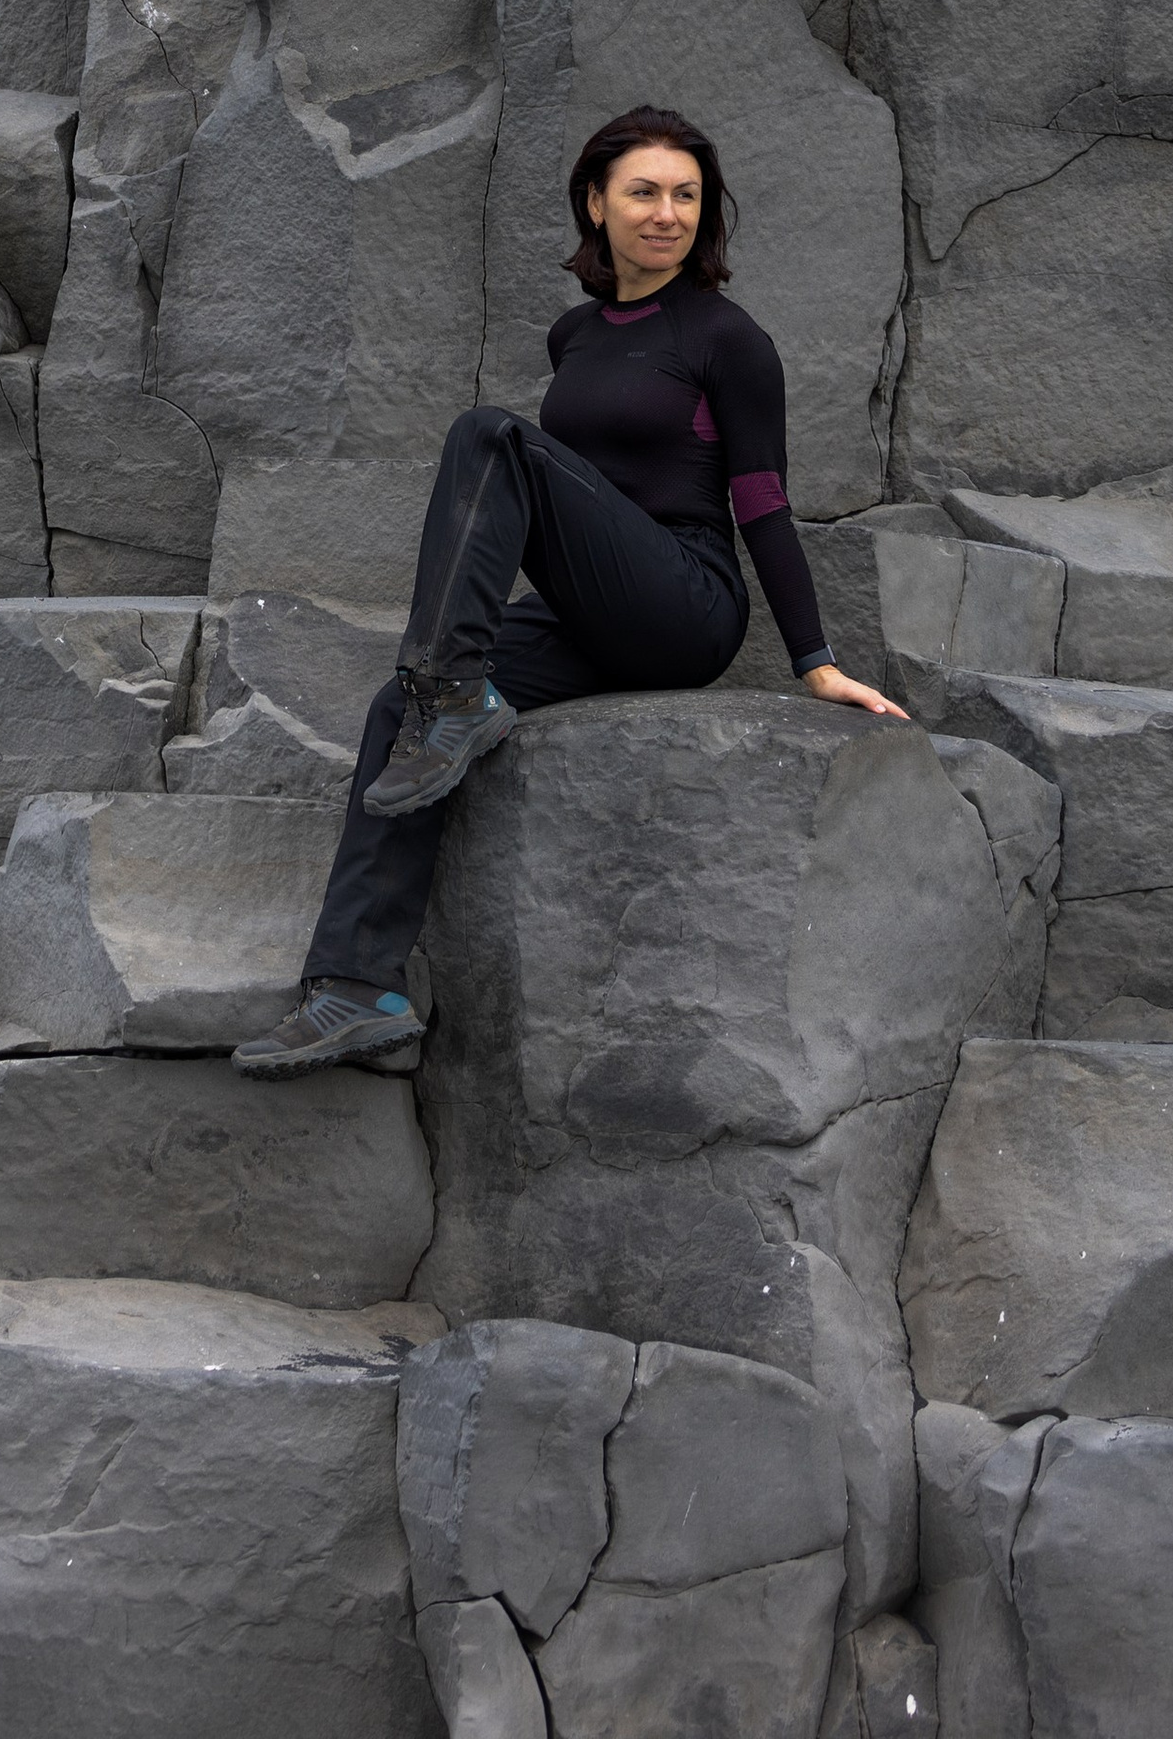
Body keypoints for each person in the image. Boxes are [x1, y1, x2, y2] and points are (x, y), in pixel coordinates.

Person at [232, 103, 906, 1076]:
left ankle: (453, 692)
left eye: (685, 195)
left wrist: (816, 663)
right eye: (643, 191)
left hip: (684, 604)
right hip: (586, 614)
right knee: (396, 709)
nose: (665, 212)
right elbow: (571, 511)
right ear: (595, 204)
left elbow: (759, 505)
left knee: (488, 439)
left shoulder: (726, 338)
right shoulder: (575, 336)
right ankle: (356, 988)